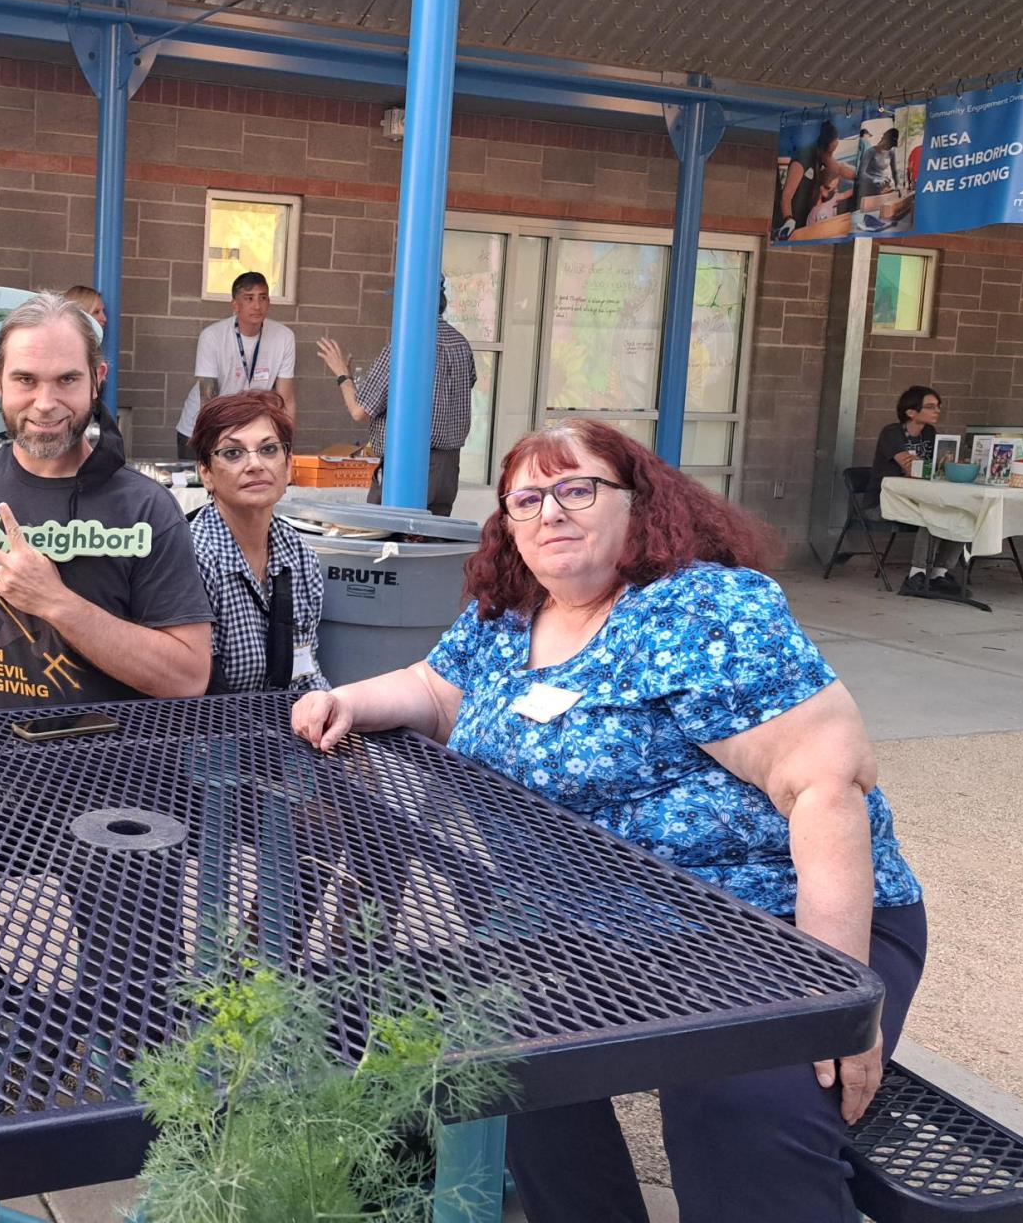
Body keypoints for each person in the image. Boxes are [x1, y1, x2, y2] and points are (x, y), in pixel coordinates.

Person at [292, 419, 925, 1223]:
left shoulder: (702, 608)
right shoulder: (509, 617)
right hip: (596, 928)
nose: (550, 511)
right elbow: (434, 689)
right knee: (502, 1044)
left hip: (769, 924)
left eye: (576, 488)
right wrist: (349, 699)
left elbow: (828, 786)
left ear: (639, 503)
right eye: (528, 498)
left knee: (735, 1103)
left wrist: (833, 995)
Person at [0, 291, 213, 710]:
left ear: (97, 379)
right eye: (26, 379)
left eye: (67, 380)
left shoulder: (145, 508)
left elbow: (187, 677)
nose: (46, 403)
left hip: (112, 767)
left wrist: (54, 601)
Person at [186, 390, 331, 694]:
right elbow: (198, 690)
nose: (255, 465)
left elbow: (305, 673)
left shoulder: (300, 555)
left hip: (281, 726)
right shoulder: (192, 557)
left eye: (268, 450)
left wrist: (331, 718)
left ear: (289, 465)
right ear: (206, 473)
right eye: (233, 453)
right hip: (209, 730)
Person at [316, 281, 475, 512]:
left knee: (390, 539)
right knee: (432, 541)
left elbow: (359, 410)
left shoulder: (404, 344)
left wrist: (342, 374)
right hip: (448, 467)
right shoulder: (461, 344)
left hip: (407, 463)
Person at [173, 271, 296, 460]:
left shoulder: (284, 336)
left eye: (262, 298)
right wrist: (217, 443)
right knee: (200, 485)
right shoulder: (212, 336)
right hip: (203, 428)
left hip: (251, 432)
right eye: (249, 298)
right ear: (235, 305)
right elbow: (208, 402)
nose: (257, 305)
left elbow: (285, 399)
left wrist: (285, 443)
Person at [873, 384, 954, 596]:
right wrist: (926, 466)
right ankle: (916, 576)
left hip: (918, 496)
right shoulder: (891, 433)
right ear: (911, 412)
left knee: (961, 513)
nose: (937, 410)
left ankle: (939, 573)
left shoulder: (930, 432)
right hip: (886, 500)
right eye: (930, 406)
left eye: (938, 406)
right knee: (933, 516)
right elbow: (910, 468)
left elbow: (931, 468)